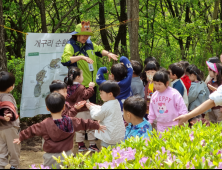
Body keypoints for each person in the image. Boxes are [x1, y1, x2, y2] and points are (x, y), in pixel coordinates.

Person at [13, 93, 106, 169]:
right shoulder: (71, 121)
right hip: (67, 155)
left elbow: (31, 130)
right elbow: (84, 123)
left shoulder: (44, 124)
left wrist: (21, 137)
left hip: (50, 157)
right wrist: (97, 125)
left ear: (47, 108)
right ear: (63, 108)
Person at [61, 21, 118, 103]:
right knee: (79, 110)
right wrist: (81, 57)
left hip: (91, 85)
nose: (86, 37)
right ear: (77, 34)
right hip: (79, 86)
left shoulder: (89, 44)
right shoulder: (70, 45)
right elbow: (64, 60)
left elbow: (99, 50)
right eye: (83, 35)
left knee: (91, 109)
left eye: (87, 35)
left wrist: (108, 54)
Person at [64, 67, 98, 152]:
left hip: (74, 111)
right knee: (90, 126)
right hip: (84, 110)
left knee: (79, 128)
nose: (83, 77)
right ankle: (92, 144)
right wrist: (91, 87)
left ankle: (81, 145)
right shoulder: (80, 87)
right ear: (78, 77)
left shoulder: (67, 87)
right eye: (82, 75)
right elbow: (86, 95)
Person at [86, 81, 125, 148]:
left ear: (110, 94)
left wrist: (91, 108)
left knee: (104, 153)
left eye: (101, 93)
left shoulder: (107, 105)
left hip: (109, 136)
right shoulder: (116, 102)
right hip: (118, 135)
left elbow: (96, 116)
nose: (100, 95)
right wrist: (95, 106)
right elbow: (104, 110)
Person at [0, 71, 20, 169]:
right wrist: (8, 115)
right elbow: (8, 108)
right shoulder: (7, 97)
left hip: (1, 128)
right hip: (10, 128)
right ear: (10, 87)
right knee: (14, 149)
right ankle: (14, 166)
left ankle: (1, 165)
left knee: (1, 150)